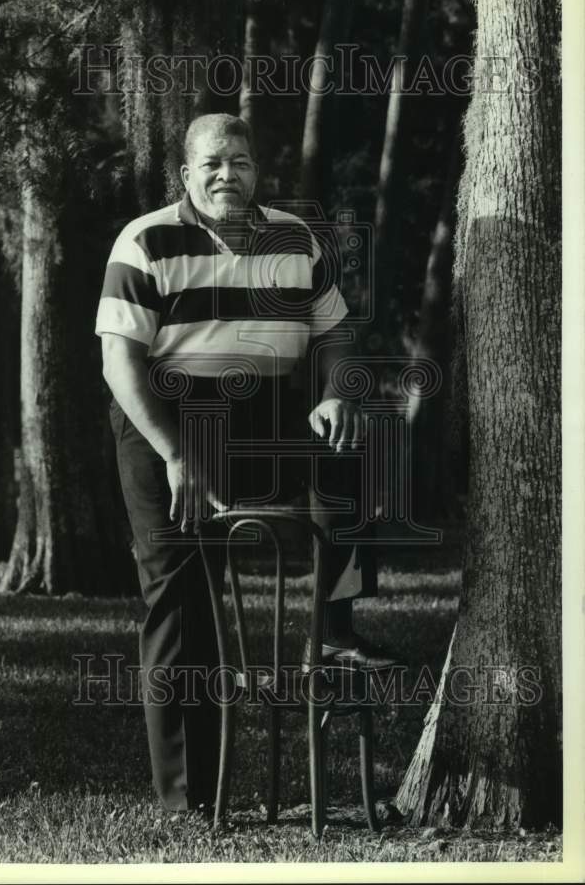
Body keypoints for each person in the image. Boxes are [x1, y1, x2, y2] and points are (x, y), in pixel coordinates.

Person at [96, 113, 395, 813]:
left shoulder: (295, 238)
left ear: (259, 170)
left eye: (241, 161)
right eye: (211, 163)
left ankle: (338, 626)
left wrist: (331, 394)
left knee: (351, 432)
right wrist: (177, 455)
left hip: (264, 411)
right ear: (186, 175)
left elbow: (337, 337)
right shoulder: (144, 240)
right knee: (179, 600)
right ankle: (189, 800)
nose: (227, 174)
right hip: (165, 417)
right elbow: (119, 362)